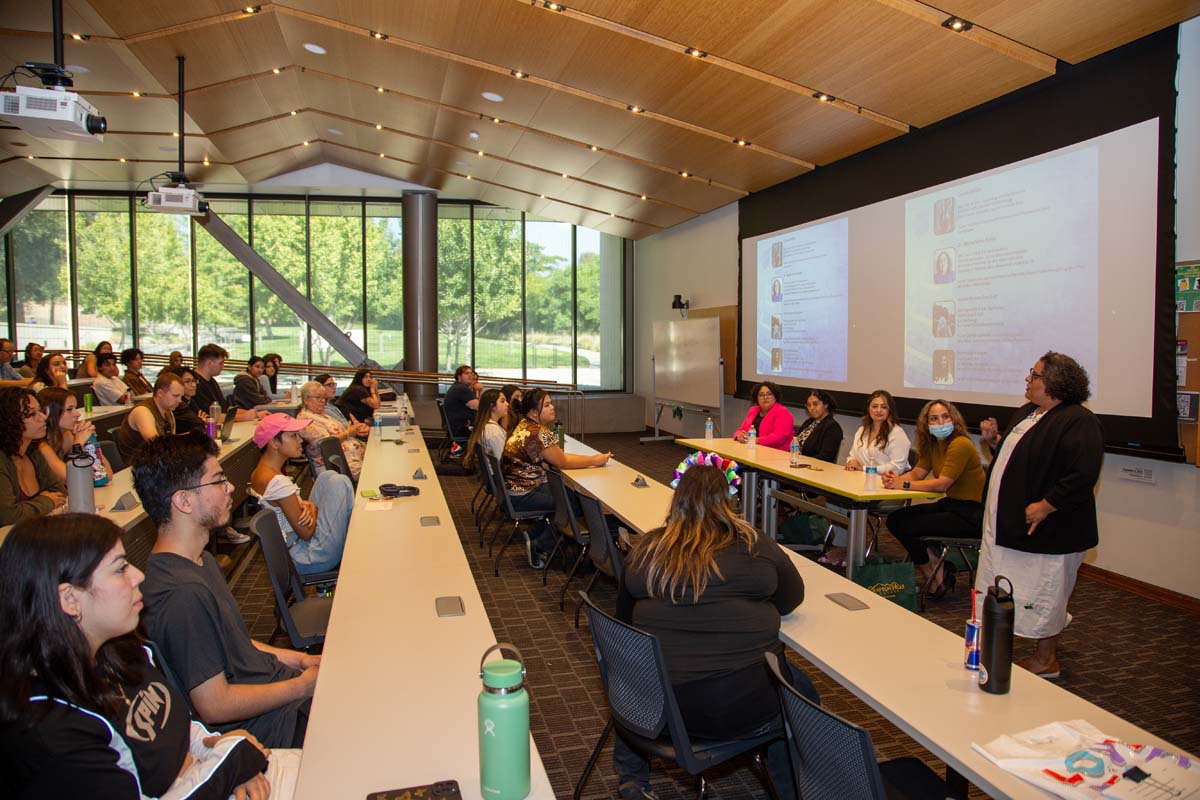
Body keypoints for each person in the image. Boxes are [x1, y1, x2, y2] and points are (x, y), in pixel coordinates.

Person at [0, 514, 280, 800]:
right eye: (120, 569)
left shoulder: (118, 650)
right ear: (70, 599)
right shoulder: (49, 729)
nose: (138, 576)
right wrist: (231, 763)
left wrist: (217, 750)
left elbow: (181, 727)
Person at [615, 464, 818, 800]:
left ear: (676, 500)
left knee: (635, 675)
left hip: (656, 709)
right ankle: (793, 788)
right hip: (740, 706)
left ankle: (632, 779)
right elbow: (791, 599)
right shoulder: (756, 546)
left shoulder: (647, 550)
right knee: (800, 691)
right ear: (728, 501)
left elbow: (622, 626)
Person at [132, 433, 320, 748]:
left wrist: (301, 661)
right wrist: (302, 687)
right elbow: (214, 704)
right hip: (274, 724)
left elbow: (238, 645)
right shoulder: (181, 594)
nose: (230, 487)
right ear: (184, 501)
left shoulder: (201, 561)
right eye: (218, 481)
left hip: (282, 693)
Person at [974, 352, 1104, 679]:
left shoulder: (1078, 420)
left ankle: (1047, 660)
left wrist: (1047, 505)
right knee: (1009, 585)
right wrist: (994, 443)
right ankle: (1008, 644)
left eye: (1035, 375)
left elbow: (1082, 473)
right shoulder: (1030, 413)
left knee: (1046, 591)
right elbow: (1023, 458)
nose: (1028, 380)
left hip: (1051, 529)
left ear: (1056, 383)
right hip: (1010, 526)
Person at [881, 399, 985, 598]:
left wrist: (902, 484)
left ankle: (933, 574)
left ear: (954, 419)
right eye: (934, 418)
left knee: (910, 526)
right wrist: (895, 479)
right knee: (896, 519)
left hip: (971, 513)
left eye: (945, 417)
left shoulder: (960, 444)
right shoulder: (933, 445)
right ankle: (937, 568)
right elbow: (917, 473)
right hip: (952, 505)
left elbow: (942, 484)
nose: (940, 422)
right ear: (926, 423)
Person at [501, 389, 611, 568]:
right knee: (572, 503)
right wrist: (595, 460)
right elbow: (563, 462)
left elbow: (557, 455)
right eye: (547, 405)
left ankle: (536, 533)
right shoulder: (537, 432)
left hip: (517, 487)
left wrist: (587, 460)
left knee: (567, 495)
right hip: (522, 493)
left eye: (551, 403)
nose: (553, 407)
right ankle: (541, 545)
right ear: (534, 412)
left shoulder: (526, 425)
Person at [250, 414, 355, 575]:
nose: (300, 440)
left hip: (294, 549)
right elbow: (306, 533)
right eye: (293, 436)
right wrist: (312, 508)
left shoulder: (260, 472)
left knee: (327, 477)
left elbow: (286, 509)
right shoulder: (278, 482)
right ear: (274, 443)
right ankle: (354, 545)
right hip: (308, 556)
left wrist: (309, 508)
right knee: (341, 483)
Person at [821, 390, 912, 566]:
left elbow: (897, 467)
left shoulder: (897, 434)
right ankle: (844, 547)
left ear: (890, 410)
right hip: (860, 484)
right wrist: (851, 462)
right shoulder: (863, 430)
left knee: (849, 503)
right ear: (868, 409)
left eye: (883, 407)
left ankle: (850, 552)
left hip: (888, 488)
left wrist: (865, 468)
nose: (879, 410)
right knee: (833, 499)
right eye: (875, 406)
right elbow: (852, 456)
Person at [0, 387, 67, 526]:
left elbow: (59, 491)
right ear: (8, 421)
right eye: (31, 414)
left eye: (41, 411)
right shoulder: (2, 461)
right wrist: (46, 501)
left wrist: (32, 507)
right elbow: (8, 515)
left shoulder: (33, 451)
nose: (43, 417)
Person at [35, 387, 113, 483]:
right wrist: (78, 444)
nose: (77, 414)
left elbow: (107, 475)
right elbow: (74, 479)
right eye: (69, 409)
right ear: (48, 412)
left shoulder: (67, 435)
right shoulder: (40, 445)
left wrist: (90, 442)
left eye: (75, 408)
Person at [295, 380, 368, 481]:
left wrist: (354, 429)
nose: (322, 401)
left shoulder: (321, 414)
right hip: (336, 464)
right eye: (318, 397)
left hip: (353, 456)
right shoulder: (304, 420)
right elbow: (326, 444)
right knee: (376, 469)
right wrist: (348, 433)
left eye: (324, 398)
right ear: (306, 399)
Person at [116, 372, 183, 463]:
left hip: (155, 464)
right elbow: (156, 445)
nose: (180, 401)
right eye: (175, 396)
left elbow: (171, 443)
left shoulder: (168, 411)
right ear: (160, 393)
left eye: (181, 397)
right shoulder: (142, 411)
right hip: (136, 468)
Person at [193, 343, 260, 422]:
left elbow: (226, 408)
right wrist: (244, 417)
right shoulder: (194, 384)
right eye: (220, 363)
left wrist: (255, 413)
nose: (223, 366)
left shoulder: (211, 381)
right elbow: (212, 416)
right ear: (209, 363)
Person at [733, 381, 795, 451]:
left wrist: (756, 440)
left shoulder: (783, 413)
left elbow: (778, 438)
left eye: (769, 394)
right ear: (757, 399)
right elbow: (741, 430)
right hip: (752, 450)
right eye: (761, 395)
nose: (765, 397)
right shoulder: (753, 410)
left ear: (775, 397)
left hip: (776, 454)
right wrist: (739, 435)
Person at [462, 388, 509, 472]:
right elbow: (502, 460)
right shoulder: (494, 431)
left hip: (492, 475)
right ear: (492, 406)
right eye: (502, 401)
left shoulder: (485, 426)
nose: (507, 404)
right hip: (499, 477)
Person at [792, 388, 843, 462]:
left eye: (815, 404)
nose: (811, 408)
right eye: (809, 405)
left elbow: (825, 457)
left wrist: (802, 461)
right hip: (797, 463)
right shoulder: (809, 422)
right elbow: (795, 442)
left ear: (825, 404)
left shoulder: (833, 427)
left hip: (814, 468)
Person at [443, 364, 480, 450]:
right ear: (459, 376)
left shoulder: (457, 387)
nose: (470, 375)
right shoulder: (462, 389)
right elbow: (478, 406)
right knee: (490, 429)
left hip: (455, 426)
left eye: (471, 373)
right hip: (462, 428)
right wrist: (478, 391)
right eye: (467, 373)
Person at [173, 366, 211, 435]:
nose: (193, 385)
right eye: (187, 381)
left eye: (194, 381)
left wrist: (200, 420)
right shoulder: (178, 404)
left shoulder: (192, 401)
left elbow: (206, 418)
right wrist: (200, 420)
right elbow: (198, 423)